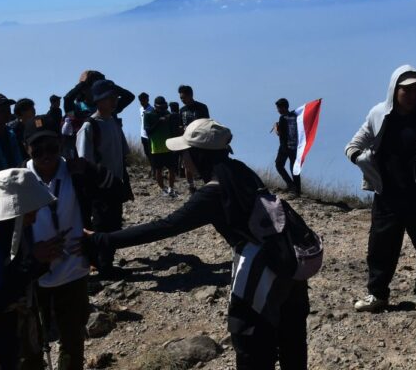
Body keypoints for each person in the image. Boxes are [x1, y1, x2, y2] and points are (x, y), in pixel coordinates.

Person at [86, 118, 310, 370]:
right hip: (289, 263)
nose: (182, 159)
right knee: (292, 342)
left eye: (185, 152)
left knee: (250, 345)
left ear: (199, 155)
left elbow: (165, 226)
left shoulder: (214, 192)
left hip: (260, 272)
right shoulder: (240, 170)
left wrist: (101, 238)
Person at [345, 65, 416, 314]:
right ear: (395, 89)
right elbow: (354, 144)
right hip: (388, 195)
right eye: (407, 90)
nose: (413, 95)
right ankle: (377, 294)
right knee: (381, 247)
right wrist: (360, 159)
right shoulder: (378, 114)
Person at [24, 115, 123, 370]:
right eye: (38, 148)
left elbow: (117, 192)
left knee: (72, 342)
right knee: (32, 347)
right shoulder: (20, 181)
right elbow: (2, 229)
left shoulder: (76, 171)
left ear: (60, 143)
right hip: (35, 278)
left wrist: (95, 236)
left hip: (74, 272)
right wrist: (31, 252)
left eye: (51, 147)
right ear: (27, 148)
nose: (46, 154)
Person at [0, 168, 64, 370]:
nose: (34, 216)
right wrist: (35, 260)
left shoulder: (10, 231)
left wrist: (42, 260)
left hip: (6, 320)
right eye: (31, 210)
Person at [76, 80, 133, 278]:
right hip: (99, 188)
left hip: (116, 185)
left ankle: (107, 263)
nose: (114, 101)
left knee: (114, 224)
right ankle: (100, 265)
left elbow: (123, 153)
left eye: (114, 97)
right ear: (99, 101)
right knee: (101, 225)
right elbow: (84, 162)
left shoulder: (114, 123)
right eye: (110, 98)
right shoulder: (89, 127)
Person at [144, 96, 181, 197]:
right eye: (160, 107)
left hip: (169, 146)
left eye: (164, 107)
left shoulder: (168, 113)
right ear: (155, 106)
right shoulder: (148, 115)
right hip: (156, 148)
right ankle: (163, 189)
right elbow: (148, 131)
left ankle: (171, 188)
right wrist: (159, 122)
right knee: (158, 170)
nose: (162, 109)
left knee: (172, 168)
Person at [178, 85, 210, 193]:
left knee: (203, 162)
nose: (182, 100)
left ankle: (207, 184)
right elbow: (179, 124)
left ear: (190, 95)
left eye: (183, 97)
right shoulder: (182, 110)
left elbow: (207, 123)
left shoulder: (202, 107)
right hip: (186, 140)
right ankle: (191, 186)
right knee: (187, 163)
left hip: (200, 140)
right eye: (181, 98)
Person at [273, 98, 301, 196]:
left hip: (285, 147)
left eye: (278, 108)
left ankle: (291, 185)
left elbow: (281, 134)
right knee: (294, 168)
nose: (278, 110)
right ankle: (297, 190)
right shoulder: (295, 116)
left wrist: (276, 128)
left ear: (283, 107)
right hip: (295, 147)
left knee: (279, 165)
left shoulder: (283, 118)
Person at [138, 92, 155, 176]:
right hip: (143, 135)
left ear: (147, 100)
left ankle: (154, 169)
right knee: (147, 152)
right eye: (141, 100)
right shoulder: (140, 109)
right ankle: (152, 168)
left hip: (150, 135)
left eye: (143, 100)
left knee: (151, 152)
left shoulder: (151, 110)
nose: (142, 102)